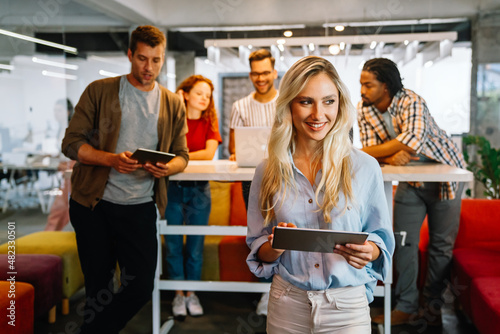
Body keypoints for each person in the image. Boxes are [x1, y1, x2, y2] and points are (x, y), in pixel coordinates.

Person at [246, 56, 395, 333]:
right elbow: (260, 252)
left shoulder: (364, 167)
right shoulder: (267, 170)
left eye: (328, 101)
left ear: (339, 104)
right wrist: (275, 245)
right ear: (289, 105)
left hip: (347, 306)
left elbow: (381, 241)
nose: (318, 114)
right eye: (305, 101)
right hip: (286, 302)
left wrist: (369, 251)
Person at [61, 25, 189, 333]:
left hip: (140, 206)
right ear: (130, 54)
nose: (149, 68)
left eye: (156, 60)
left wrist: (167, 169)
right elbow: (71, 144)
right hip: (94, 205)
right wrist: (111, 160)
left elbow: (182, 155)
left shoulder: (172, 102)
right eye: (142, 59)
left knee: (141, 288)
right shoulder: (100, 90)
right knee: (97, 290)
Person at [357, 58, 465, 327]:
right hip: (410, 180)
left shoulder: (411, 101)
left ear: (385, 86)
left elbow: (411, 140)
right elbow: (372, 152)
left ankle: (431, 308)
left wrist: (384, 151)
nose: (361, 90)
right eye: (361, 84)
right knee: (402, 242)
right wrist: (391, 156)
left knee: (441, 246)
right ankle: (405, 306)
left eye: (367, 85)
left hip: (445, 176)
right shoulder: (364, 109)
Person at [165, 75, 222, 320]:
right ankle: (179, 294)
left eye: (207, 95)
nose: (204, 99)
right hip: (173, 188)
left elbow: (209, 154)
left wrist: (180, 157)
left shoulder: (210, 121)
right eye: (199, 93)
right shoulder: (172, 119)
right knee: (174, 246)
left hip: (199, 190)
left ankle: (192, 294)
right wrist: (178, 108)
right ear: (185, 94)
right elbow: (166, 150)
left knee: (195, 248)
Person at [228, 48, 278, 316]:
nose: (261, 78)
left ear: (274, 72)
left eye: (265, 72)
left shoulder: (286, 102)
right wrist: (237, 152)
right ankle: (265, 291)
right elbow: (233, 149)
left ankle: (278, 290)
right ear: (250, 75)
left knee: (281, 232)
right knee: (260, 235)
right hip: (252, 179)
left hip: (283, 177)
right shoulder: (240, 106)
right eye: (256, 74)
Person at [45, 98, 75, 231]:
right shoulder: (59, 129)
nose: (55, 113)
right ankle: (50, 234)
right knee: (62, 206)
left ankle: (49, 234)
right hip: (65, 167)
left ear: (68, 112)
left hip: (71, 168)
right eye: (54, 110)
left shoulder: (72, 129)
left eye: (59, 110)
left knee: (62, 207)